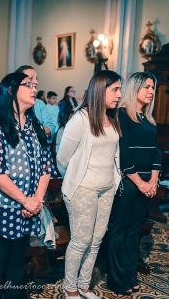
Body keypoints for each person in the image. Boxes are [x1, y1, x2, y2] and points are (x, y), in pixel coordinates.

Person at [0, 72, 55, 299]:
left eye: (35, 84)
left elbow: (46, 166)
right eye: (28, 84)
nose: (34, 88)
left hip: (28, 209)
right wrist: (25, 200)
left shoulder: (33, 124)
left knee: (17, 266)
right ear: (11, 90)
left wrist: (36, 200)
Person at [57, 70, 123, 299]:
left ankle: (84, 286)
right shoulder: (80, 119)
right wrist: (76, 178)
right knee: (81, 241)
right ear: (100, 90)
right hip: (83, 189)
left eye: (119, 89)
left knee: (96, 241)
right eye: (115, 89)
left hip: (106, 188)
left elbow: (114, 154)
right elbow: (62, 158)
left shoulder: (112, 117)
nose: (119, 95)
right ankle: (71, 289)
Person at [107, 72, 161, 295]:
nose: (151, 91)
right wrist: (140, 183)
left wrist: (153, 181)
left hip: (146, 184)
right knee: (119, 232)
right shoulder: (121, 115)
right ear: (134, 88)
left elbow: (156, 153)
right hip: (127, 183)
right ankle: (117, 280)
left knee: (133, 233)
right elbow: (123, 154)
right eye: (146, 87)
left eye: (153, 87)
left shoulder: (148, 119)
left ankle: (130, 276)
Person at [15, 65, 56, 140]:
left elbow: (51, 127)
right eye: (31, 78)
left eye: (36, 78)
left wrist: (33, 135)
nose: (36, 82)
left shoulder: (39, 104)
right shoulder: (12, 105)